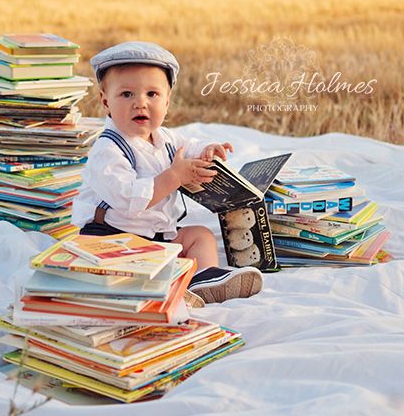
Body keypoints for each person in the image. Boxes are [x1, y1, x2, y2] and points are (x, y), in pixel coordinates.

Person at [70, 41, 263, 304]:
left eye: (152, 94)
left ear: (167, 102)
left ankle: (202, 280)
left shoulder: (164, 138)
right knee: (131, 273)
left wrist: (207, 151)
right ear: (105, 102)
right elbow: (127, 200)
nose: (140, 103)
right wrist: (174, 176)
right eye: (127, 94)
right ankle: (169, 285)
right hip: (114, 236)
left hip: (157, 236)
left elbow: (189, 147)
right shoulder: (107, 150)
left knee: (199, 237)